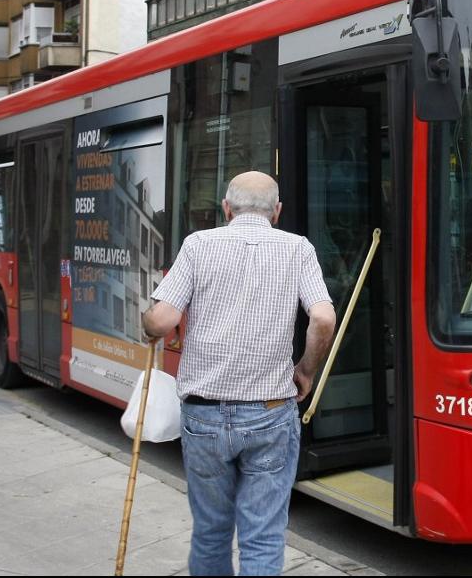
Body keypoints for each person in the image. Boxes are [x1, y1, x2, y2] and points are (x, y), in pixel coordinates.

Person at [142, 172, 337, 576]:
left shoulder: (199, 245)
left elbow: (161, 321)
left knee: (211, 532)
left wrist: (147, 322)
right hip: (270, 412)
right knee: (263, 537)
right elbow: (322, 316)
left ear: (226, 209)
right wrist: (305, 370)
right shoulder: (298, 248)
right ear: (277, 212)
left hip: (204, 416)